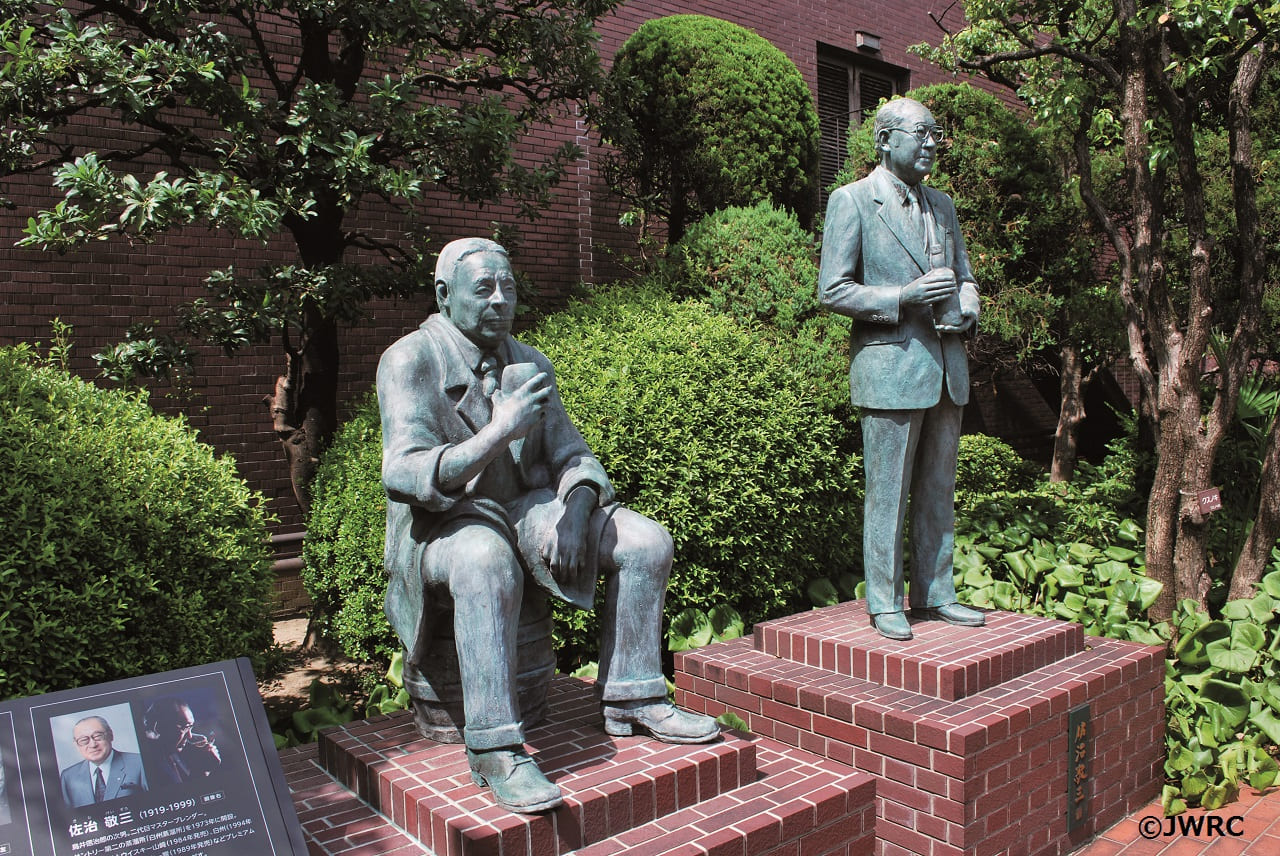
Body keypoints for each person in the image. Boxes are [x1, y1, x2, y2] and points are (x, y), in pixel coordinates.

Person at [378, 238, 719, 814]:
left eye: (508, 287)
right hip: (443, 524)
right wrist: (499, 431)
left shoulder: (529, 363)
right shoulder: (409, 360)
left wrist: (578, 512)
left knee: (644, 542)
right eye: (483, 288)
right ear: (444, 295)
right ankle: (494, 749)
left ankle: (633, 696)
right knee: (485, 559)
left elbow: (572, 456)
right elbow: (405, 473)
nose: (499, 299)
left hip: (523, 510)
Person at [818, 96, 987, 641]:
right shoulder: (852, 201)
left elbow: (965, 277)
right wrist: (902, 297)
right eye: (922, 133)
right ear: (886, 140)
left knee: (938, 489)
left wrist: (968, 306)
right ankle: (885, 601)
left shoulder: (943, 206)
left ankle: (936, 593)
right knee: (887, 494)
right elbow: (833, 289)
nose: (932, 144)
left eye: (936, 134)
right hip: (890, 369)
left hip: (946, 367)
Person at [59, 716, 147, 808]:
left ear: (111, 735)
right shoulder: (68, 777)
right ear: (76, 745)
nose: (93, 745)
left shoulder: (139, 763)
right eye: (84, 740)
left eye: (97, 736)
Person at [140, 698, 222, 785]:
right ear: (159, 727)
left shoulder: (171, 754)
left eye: (190, 727)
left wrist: (203, 768)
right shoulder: (152, 767)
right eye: (185, 728)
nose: (190, 736)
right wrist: (203, 769)